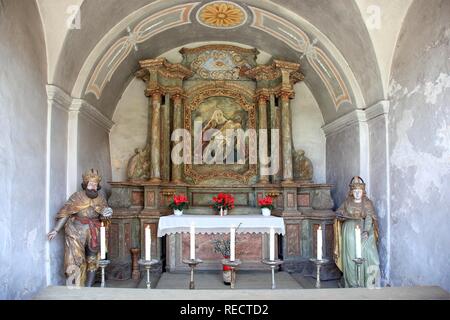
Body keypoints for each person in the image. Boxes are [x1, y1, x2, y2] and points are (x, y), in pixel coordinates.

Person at [47, 169, 113, 287]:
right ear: (86, 184)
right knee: (74, 260)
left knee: (92, 260)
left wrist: (106, 214)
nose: (93, 186)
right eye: (91, 183)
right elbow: (67, 212)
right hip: (76, 232)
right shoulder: (77, 196)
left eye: (95, 184)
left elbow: (104, 217)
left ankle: (88, 287)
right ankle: (74, 288)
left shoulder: (101, 199)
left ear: (98, 185)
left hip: (94, 233)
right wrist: (56, 230)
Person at [334, 176, 381, 288]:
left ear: (363, 191)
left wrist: (366, 230)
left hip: (365, 228)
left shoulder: (367, 202)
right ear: (351, 192)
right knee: (351, 256)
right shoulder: (347, 202)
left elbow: (370, 217)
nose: (357, 194)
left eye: (359, 191)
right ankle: (352, 282)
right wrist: (342, 216)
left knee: (370, 253)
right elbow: (338, 214)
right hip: (349, 230)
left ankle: (367, 281)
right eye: (355, 191)